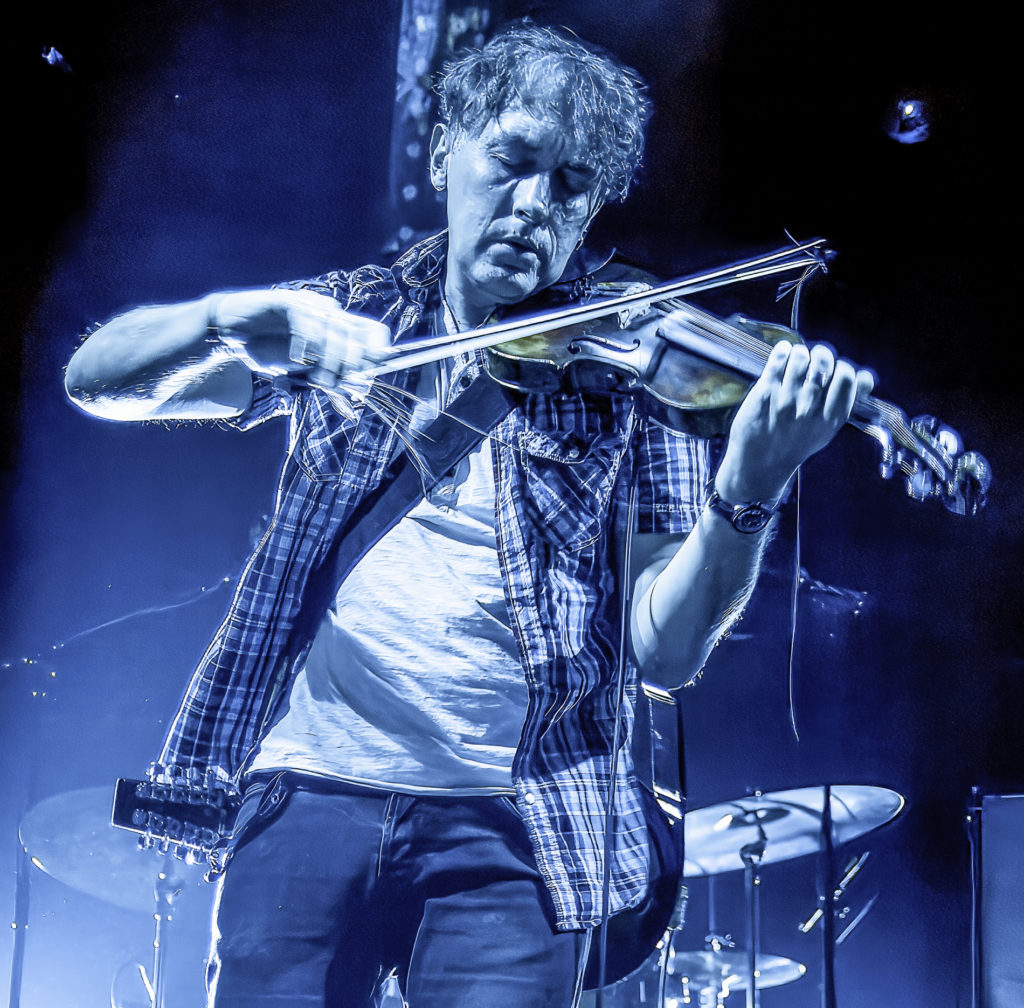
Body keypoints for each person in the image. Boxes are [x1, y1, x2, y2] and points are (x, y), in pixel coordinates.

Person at [64, 22, 872, 1008]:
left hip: (518, 824)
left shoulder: (634, 371)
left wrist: (749, 487)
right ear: (447, 145)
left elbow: (660, 653)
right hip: (309, 789)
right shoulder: (352, 316)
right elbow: (98, 381)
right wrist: (225, 319)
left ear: (592, 209)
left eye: (570, 185)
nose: (533, 205)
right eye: (513, 159)